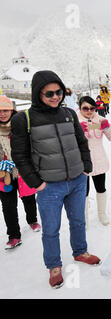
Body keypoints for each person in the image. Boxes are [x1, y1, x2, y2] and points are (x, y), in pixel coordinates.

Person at [10, 70, 101, 289]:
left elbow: (81, 143)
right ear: (37, 94)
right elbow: (19, 155)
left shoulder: (69, 113)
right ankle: (54, 265)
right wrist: (36, 183)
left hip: (77, 180)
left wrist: (86, 167)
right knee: (51, 229)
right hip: (49, 186)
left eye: (58, 91)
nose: (55, 97)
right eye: (49, 93)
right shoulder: (24, 119)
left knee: (78, 221)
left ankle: (80, 251)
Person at [0, 96, 40, 250]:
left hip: (23, 170)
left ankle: (32, 220)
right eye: (0, 111)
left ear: (12, 110)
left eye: (5, 110)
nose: (2, 114)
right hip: (4, 175)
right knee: (8, 206)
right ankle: (14, 235)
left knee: (29, 198)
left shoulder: (20, 126)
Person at [77, 96, 111, 227]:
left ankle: (102, 214)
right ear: (80, 108)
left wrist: (108, 127)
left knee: (101, 188)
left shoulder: (100, 120)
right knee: (84, 192)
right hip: (82, 162)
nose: (89, 111)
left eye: (92, 108)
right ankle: (84, 218)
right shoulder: (74, 121)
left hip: (99, 160)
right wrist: (77, 131)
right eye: (85, 108)